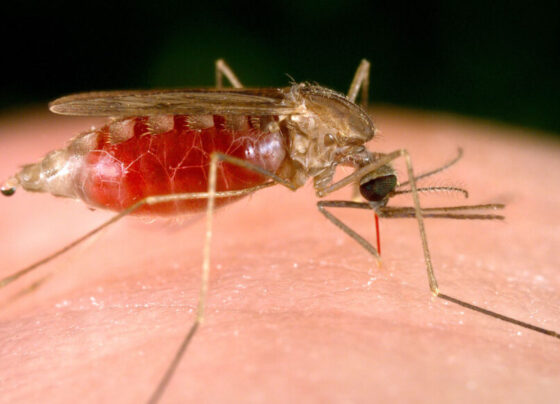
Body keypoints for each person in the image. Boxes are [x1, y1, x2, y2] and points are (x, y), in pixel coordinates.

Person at [1, 107, 559, 402]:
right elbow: (318, 192)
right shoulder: (323, 148)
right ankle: (191, 318)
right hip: (172, 156)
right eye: (374, 191)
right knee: (219, 166)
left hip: (261, 140)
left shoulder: (341, 143)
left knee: (236, 162)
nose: (372, 200)